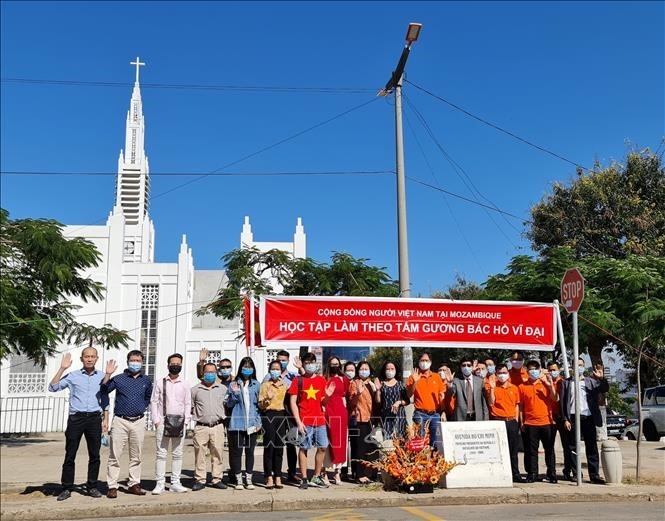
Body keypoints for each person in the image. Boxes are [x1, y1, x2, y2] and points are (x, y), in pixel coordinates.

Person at [48, 348, 108, 501]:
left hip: (94, 419)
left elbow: (105, 398)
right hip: (76, 419)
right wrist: (62, 368)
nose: (89, 359)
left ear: (97, 358)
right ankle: (67, 487)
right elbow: (53, 387)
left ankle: (92, 486)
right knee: (70, 454)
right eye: (86, 356)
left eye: (92, 356)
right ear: (82, 359)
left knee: (95, 455)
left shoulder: (102, 376)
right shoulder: (73, 376)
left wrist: (105, 419)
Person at [101, 350, 152, 498]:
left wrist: (141, 407)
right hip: (120, 421)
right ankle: (112, 486)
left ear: (142, 362)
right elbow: (104, 390)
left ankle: (134, 484)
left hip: (138, 421)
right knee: (115, 455)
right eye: (132, 360)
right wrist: (108, 374)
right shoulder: (119, 379)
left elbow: (148, 397)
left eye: (138, 360)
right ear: (128, 361)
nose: (135, 363)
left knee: (136, 455)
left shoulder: (146, 380)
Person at [560, 358, 609, 484]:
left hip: (588, 417)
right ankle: (577, 473)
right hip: (573, 418)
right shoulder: (566, 383)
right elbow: (563, 402)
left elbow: (604, 389)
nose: (579, 367)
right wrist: (565, 419)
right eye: (576, 365)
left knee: (591, 446)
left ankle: (594, 475)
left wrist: (602, 378)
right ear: (572, 367)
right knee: (573, 447)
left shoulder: (591, 382)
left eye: (581, 365)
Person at [289, 351, 333, 489]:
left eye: (311, 363)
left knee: (322, 447)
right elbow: (293, 402)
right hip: (304, 421)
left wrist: (328, 395)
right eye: (307, 363)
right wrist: (298, 422)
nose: (309, 365)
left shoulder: (321, 380)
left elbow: (323, 403)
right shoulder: (298, 380)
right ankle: (304, 478)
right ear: (303, 364)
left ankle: (316, 476)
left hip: (319, 421)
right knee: (303, 448)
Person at [150, 353, 191, 494]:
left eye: (178, 364)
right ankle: (160, 483)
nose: (175, 366)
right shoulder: (160, 381)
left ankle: (175, 482)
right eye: (173, 364)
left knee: (177, 453)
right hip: (163, 421)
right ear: (168, 365)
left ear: (181, 365)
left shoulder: (185, 383)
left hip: (180, 422)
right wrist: (156, 420)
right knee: (161, 454)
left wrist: (186, 421)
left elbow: (187, 403)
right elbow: (154, 401)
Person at [263, 350, 302, 485]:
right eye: (279, 360)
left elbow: (305, 381)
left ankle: (291, 473)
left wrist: (301, 368)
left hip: (290, 413)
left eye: (284, 360)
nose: (281, 362)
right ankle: (271, 474)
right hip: (274, 414)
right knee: (273, 444)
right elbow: (262, 398)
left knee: (291, 443)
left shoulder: (293, 376)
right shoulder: (268, 378)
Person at [190, 362, 228, 491]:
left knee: (217, 453)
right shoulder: (195, 390)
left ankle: (217, 478)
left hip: (217, 426)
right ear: (203, 373)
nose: (210, 374)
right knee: (200, 454)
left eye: (212, 372)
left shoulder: (223, 389)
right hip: (201, 427)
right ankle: (200, 479)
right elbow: (190, 406)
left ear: (216, 373)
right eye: (207, 372)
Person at [519, 360, 558, 483]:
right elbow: (520, 407)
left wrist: (549, 384)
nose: (533, 371)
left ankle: (551, 473)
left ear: (540, 370)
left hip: (547, 422)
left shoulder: (545, 384)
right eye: (531, 369)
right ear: (527, 371)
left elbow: (555, 398)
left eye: (536, 369)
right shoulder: (522, 386)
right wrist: (521, 422)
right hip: (530, 423)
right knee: (531, 451)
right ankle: (532, 474)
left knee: (549, 450)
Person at [226, 356, 261, 490]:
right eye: (245, 367)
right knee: (237, 452)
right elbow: (228, 404)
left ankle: (249, 479)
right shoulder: (234, 384)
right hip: (237, 423)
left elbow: (258, 405)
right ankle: (238, 479)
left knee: (250, 452)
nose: (247, 369)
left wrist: (258, 422)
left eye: (249, 367)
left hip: (252, 424)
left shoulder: (256, 384)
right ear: (241, 368)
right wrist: (234, 395)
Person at [489, 364, 524, 483]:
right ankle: (500, 474)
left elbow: (517, 405)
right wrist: (493, 388)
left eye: (504, 373)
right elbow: (491, 402)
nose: (502, 375)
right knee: (498, 449)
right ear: (496, 375)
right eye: (499, 373)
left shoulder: (514, 388)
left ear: (508, 374)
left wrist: (516, 420)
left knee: (513, 450)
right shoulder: (493, 387)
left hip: (511, 421)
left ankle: (515, 474)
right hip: (497, 421)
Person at [258, 360, 288, 489]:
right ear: (269, 370)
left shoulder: (284, 385)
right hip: (268, 415)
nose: (275, 371)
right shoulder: (265, 385)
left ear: (281, 371)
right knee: (269, 446)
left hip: (281, 416)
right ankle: (268, 476)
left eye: (277, 369)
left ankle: (278, 476)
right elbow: (260, 405)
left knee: (279, 447)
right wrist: (267, 399)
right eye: (273, 368)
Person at [348, 361, 379, 485]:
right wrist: (358, 393)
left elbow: (377, 402)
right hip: (360, 419)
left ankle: (370, 473)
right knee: (359, 448)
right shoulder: (354, 383)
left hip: (372, 420)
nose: (364, 371)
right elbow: (351, 403)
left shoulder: (372, 384)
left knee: (371, 448)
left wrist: (378, 391)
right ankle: (359, 474)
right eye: (362, 368)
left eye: (366, 368)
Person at [406, 352, 446, 447]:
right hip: (420, 414)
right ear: (419, 362)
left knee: (436, 442)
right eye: (422, 360)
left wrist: (443, 411)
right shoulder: (413, 377)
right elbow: (409, 394)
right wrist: (414, 382)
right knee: (420, 441)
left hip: (435, 414)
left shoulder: (436, 377)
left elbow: (441, 396)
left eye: (426, 360)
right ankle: (421, 460)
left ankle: (434, 460)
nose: (424, 362)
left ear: (430, 362)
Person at [323, 356, 350, 485]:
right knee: (327, 442)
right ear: (328, 365)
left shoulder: (344, 379)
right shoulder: (323, 378)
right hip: (327, 410)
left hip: (341, 411)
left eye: (337, 364)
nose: (335, 366)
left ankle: (337, 472)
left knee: (341, 442)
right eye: (332, 364)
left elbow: (346, 396)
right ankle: (324, 471)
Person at [546, 360, 571, 480]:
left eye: (554, 370)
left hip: (562, 417)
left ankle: (569, 470)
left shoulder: (564, 383)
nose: (552, 372)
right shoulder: (544, 382)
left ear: (559, 370)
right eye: (550, 370)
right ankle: (551, 472)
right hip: (549, 416)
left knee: (568, 445)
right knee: (549, 446)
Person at [444, 358, 490, 422]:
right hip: (461, 417)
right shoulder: (456, 380)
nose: (466, 367)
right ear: (460, 367)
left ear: (472, 367)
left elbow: (484, 402)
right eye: (464, 365)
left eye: (468, 365)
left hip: (477, 417)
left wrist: (486, 418)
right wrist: (450, 384)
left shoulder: (479, 381)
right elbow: (450, 394)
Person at [375, 361, 407, 439]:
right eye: (387, 369)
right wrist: (378, 390)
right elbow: (378, 401)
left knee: (401, 444)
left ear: (396, 370)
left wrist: (399, 402)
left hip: (400, 417)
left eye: (392, 369)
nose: (390, 371)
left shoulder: (400, 384)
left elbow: (407, 401)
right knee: (388, 445)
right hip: (386, 418)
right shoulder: (381, 384)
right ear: (384, 371)